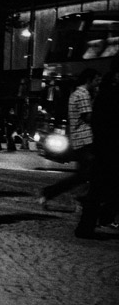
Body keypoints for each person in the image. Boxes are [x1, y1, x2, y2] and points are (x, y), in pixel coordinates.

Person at [38, 68, 100, 209]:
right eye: (96, 80)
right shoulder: (83, 94)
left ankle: (54, 193)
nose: (98, 83)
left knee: (86, 174)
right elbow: (88, 117)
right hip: (85, 139)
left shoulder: (75, 93)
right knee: (85, 174)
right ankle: (52, 192)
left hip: (79, 138)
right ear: (89, 80)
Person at [76, 70, 119, 237]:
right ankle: (98, 220)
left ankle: (90, 224)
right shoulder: (108, 95)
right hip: (107, 149)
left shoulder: (102, 94)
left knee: (97, 188)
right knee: (99, 189)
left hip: (103, 148)